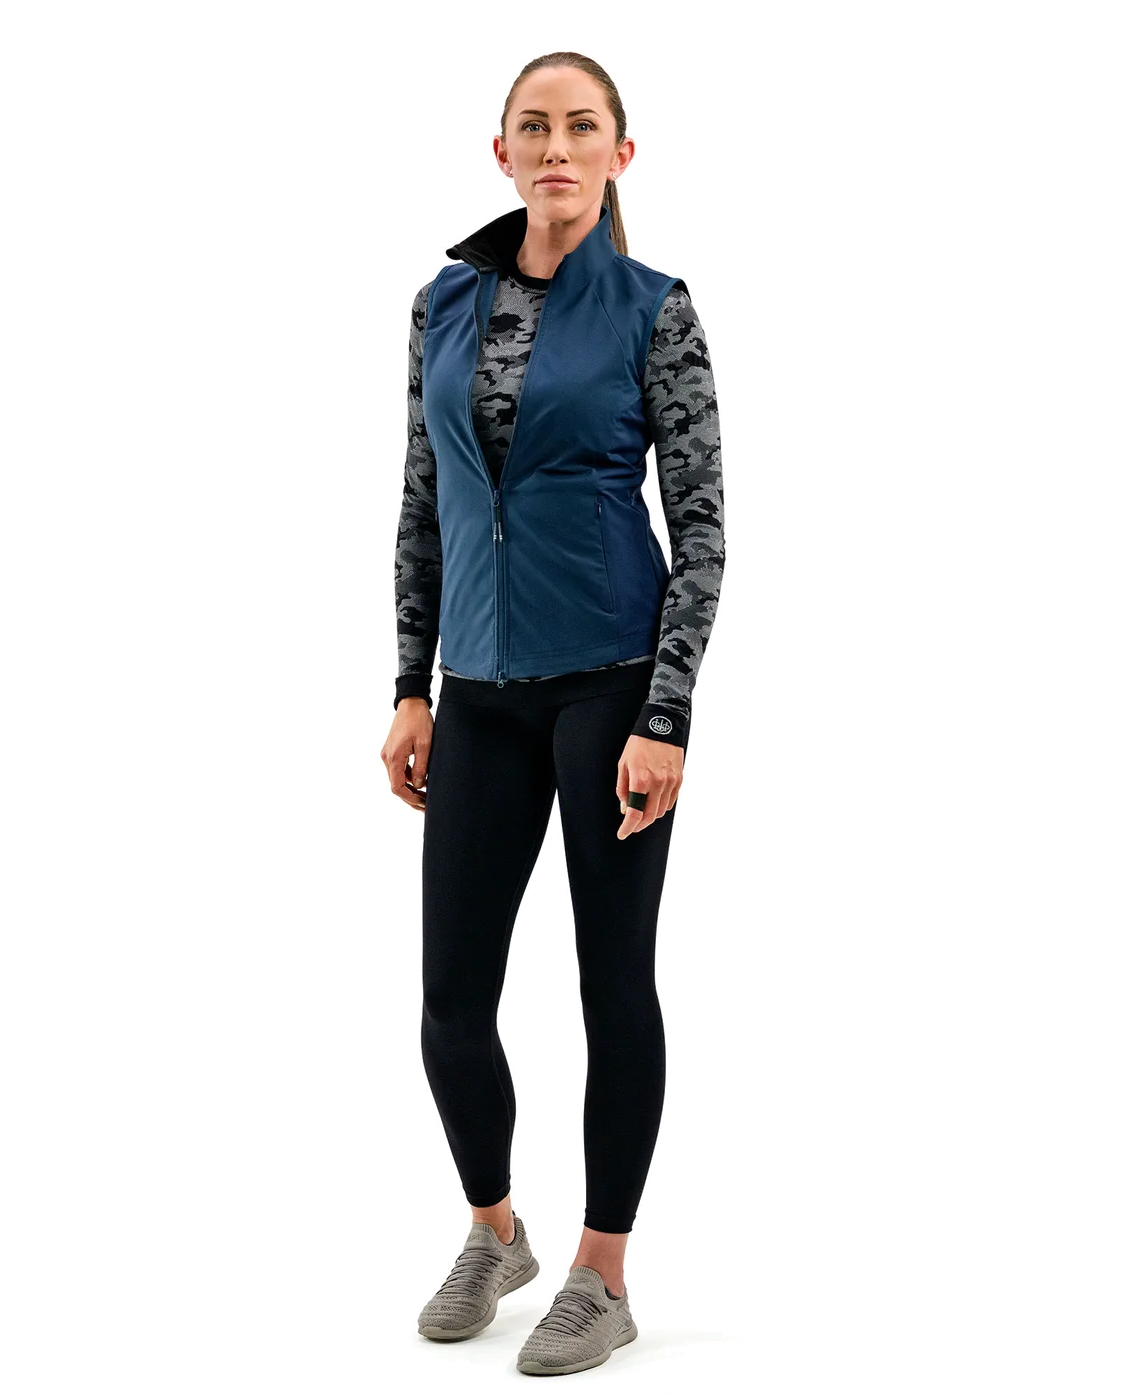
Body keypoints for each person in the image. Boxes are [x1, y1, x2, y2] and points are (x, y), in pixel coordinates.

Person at [382, 51, 725, 1378]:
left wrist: (667, 711)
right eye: (535, 127)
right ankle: (493, 1228)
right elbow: (422, 507)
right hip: (476, 689)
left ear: (620, 154)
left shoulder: (655, 312)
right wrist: (413, 682)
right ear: (503, 151)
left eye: (583, 127)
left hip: (609, 680)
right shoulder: (444, 302)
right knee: (450, 996)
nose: (557, 148)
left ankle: (604, 1268)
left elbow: (701, 529)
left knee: (612, 978)